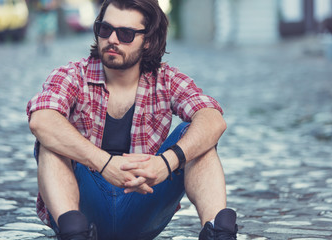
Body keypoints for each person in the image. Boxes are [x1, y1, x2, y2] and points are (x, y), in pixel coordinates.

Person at [26, 0, 238, 239]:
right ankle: (74, 232)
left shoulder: (166, 79)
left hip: (143, 204)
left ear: (147, 40)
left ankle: (217, 230)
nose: (112, 40)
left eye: (125, 34)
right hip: (84, 209)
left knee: (198, 137)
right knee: (52, 139)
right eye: (105, 29)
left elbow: (213, 119)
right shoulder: (72, 75)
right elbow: (41, 120)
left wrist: (166, 163)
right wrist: (105, 164)